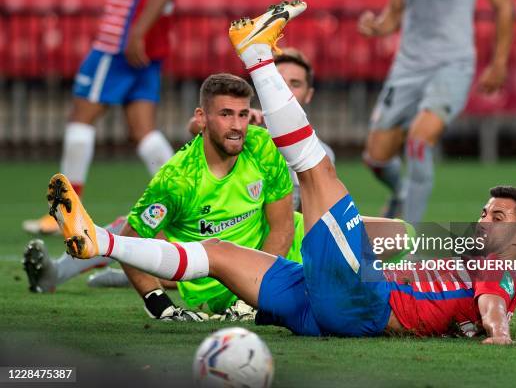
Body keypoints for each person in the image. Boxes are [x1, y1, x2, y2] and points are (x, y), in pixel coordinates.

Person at [46, 1, 516, 342]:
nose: (481, 220)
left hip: (364, 299)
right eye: (484, 210)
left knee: (317, 171)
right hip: (324, 303)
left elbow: (497, 299)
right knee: (217, 256)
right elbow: (513, 278)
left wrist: (499, 335)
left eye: (496, 217)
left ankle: (256, 55)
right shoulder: (486, 263)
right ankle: (100, 242)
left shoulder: (491, 273)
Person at [22, 49, 335, 299]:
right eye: (279, 83)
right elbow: (198, 128)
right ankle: (61, 273)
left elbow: (308, 225)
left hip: (272, 246)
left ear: (308, 95)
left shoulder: (317, 154)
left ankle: (142, 274)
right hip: (217, 228)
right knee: (140, 223)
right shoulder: (243, 127)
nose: (287, 91)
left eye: (296, 84)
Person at [22, 0, 181, 235]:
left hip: (119, 44)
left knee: (81, 119)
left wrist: (138, 32)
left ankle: (65, 213)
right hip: (142, 42)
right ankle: (185, 201)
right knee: (143, 131)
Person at [358, 0, 515, 223]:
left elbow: (504, 4)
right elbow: (394, 14)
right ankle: (402, 193)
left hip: (452, 66)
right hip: (407, 68)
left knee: (418, 141)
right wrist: (376, 27)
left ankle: (409, 241)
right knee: (375, 157)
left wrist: (499, 62)